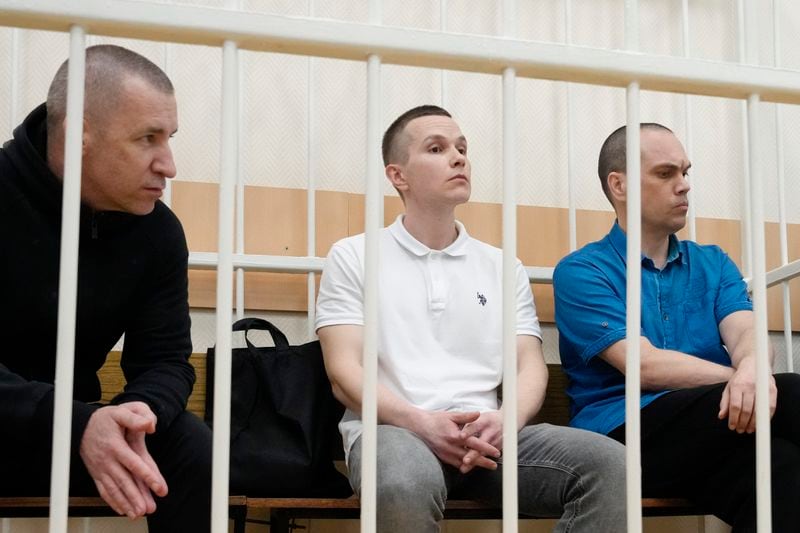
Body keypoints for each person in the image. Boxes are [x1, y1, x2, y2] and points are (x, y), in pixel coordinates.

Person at [316, 105, 626, 532]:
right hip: (396, 430)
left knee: (612, 466)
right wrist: (424, 423)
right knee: (402, 482)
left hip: (490, 434)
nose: (459, 157)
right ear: (397, 175)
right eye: (437, 148)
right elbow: (343, 372)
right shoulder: (353, 255)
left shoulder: (501, 265)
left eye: (462, 148)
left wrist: (505, 420)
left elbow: (528, 364)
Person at [0, 45, 211, 531]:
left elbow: (166, 360)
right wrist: (77, 425)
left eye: (170, 137)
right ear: (78, 137)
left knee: (189, 445)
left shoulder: (156, 231)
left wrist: (135, 416)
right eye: (147, 139)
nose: (169, 164)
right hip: (27, 422)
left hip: (80, 429)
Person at [553, 122, 800, 531]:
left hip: (718, 430)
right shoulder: (582, 270)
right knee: (790, 392)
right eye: (666, 174)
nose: (684, 185)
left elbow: (745, 332)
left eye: (686, 172)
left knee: (783, 470)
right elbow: (644, 366)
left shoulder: (713, 261)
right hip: (627, 438)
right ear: (620, 185)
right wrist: (745, 380)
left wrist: (753, 368)